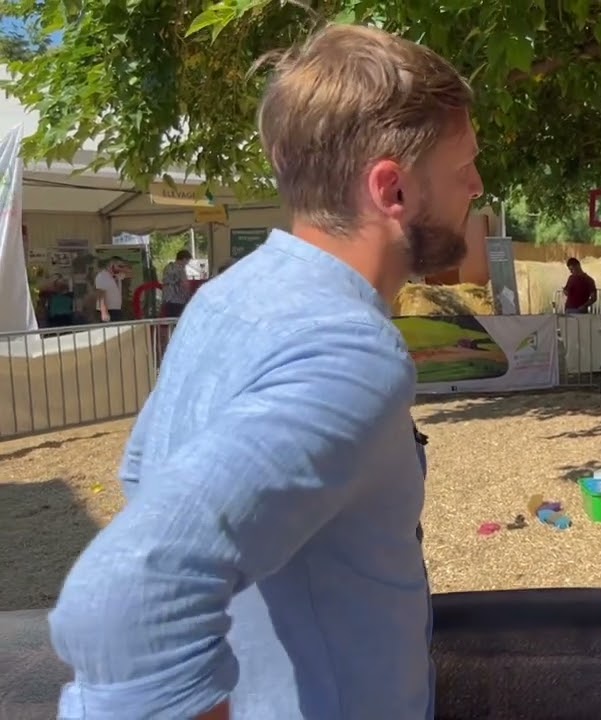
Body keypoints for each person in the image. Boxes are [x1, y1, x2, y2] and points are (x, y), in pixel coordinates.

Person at [47, 23, 481, 719]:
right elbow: (127, 599)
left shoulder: (226, 300)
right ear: (392, 189)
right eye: (464, 168)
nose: (477, 186)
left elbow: (146, 477)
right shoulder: (350, 348)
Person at [161, 249, 196, 318]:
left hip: (167, 299)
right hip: (179, 300)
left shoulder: (168, 267)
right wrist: (189, 296)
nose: (187, 263)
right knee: (179, 320)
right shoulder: (180, 269)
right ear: (184, 259)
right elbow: (184, 284)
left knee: (170, 320)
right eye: (187, 261)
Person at [93, 256, 125, 322]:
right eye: (119, 266)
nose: (121, 269)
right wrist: (104, 312)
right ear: (111, 265)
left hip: (116, 309)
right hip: (108, 310)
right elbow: (101, 294)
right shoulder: (102, 276)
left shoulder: (117, 276)